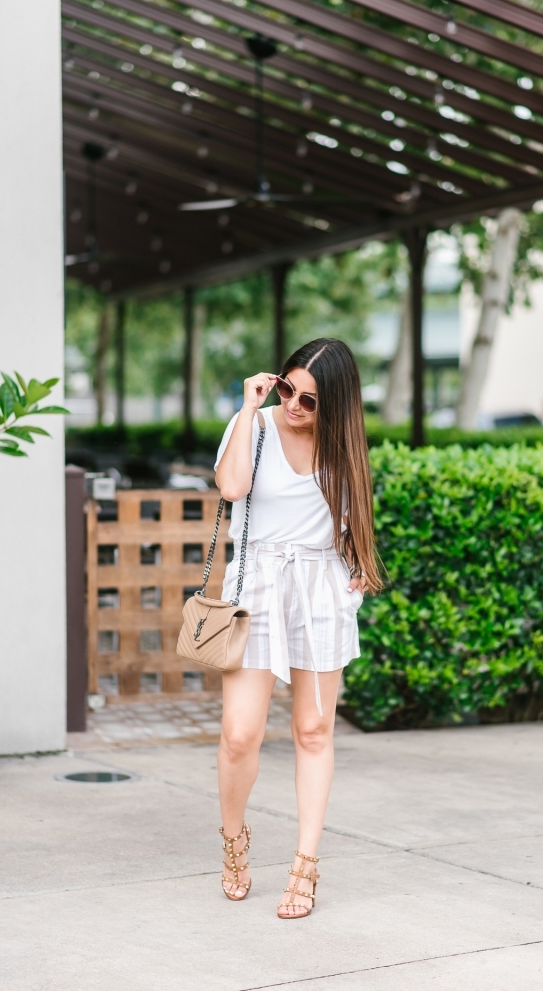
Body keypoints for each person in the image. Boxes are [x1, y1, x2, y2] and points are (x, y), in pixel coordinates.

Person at [214, 337, 382, 919]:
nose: (294, 406)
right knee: (240, 733)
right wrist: (247, 407)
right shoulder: (254, 426)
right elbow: (231, 488)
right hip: (257, 583)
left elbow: (353, 526)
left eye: (310, 400)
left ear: (334, 405)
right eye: (288, 388)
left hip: (318, 589)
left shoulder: (344, 447)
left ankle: (305, 865)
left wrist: (355, 573)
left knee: (313, 730)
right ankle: (234, 840)